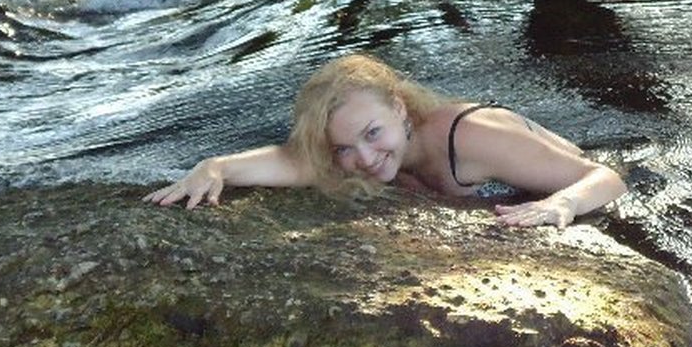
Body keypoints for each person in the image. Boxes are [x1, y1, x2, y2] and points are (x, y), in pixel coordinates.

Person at [143, 54, 626, 228]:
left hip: (603, 187)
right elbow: (292, 163)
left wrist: (561, 204)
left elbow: (607, 179)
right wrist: (215, 167)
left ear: (398, 108)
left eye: (372, 133)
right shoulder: (360, 155)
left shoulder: (471, 137)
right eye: (343, 148)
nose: (366, 159)